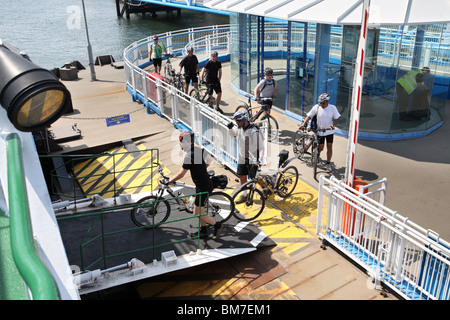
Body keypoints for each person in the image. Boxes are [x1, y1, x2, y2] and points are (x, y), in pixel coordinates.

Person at [167, 131, 224, 239]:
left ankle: (218, 225)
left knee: (196, 212)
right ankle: (203, 231)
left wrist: (170, 180)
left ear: (187, 142)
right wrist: (202, 169)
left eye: (181, 142)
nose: (180, 144)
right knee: (200, 211)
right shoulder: (198, 149)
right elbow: (210, 159)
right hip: (203, 184)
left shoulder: (189, 156)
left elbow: (181, 174)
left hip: (203, 187)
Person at [227, 109, 265, 204]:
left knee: (254, 178)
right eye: (236, 121)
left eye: (238, 121)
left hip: (252, 157)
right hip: (242, 156)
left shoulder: (254, 131)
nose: (237, 123)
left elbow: (261, 147)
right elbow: (232, 136)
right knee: (242, 176)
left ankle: (265, 188)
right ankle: (244, 194)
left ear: (244, 120)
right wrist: (230, 128)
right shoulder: (240, 128)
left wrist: (260, 159)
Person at [299, 93, 340, 172]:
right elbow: (309, 116)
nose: (321, 104)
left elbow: (337, 118)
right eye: (320, 103)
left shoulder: (332, 108)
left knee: (329, 146)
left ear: (327, 102)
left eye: (323, 103)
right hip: (320, 131)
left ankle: (328, 164)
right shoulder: (317, 107)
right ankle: (317, 153)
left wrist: (333, 124)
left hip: (329, 131)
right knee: (321, 147)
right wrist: (303, 124)